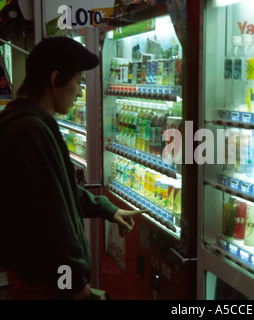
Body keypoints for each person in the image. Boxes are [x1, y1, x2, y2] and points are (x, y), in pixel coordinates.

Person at [0, 37, 145, 300]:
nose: (80, 92)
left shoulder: (29, 123)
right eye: (78, 81)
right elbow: (50, 220)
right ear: (55, 79)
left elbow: (58, 188)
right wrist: (74, 285)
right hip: (46, 286)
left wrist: (107, 209)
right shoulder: (29, 131)